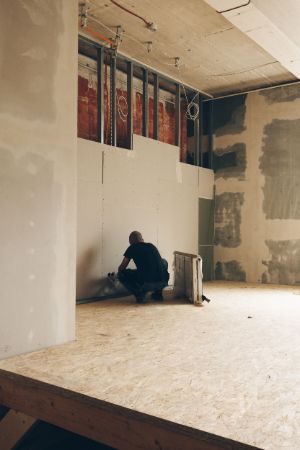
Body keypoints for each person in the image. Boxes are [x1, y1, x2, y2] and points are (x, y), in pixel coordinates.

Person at [118, 231, 169, 303]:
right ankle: (158, 294)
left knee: (121, 274)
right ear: (142, 239)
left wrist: (118, 272)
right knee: (164, 262)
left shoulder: (132, 247)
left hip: (147, 283)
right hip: (163, 282)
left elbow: (122, 267)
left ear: (130, 241)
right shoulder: (151, 246)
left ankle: (139, 294)